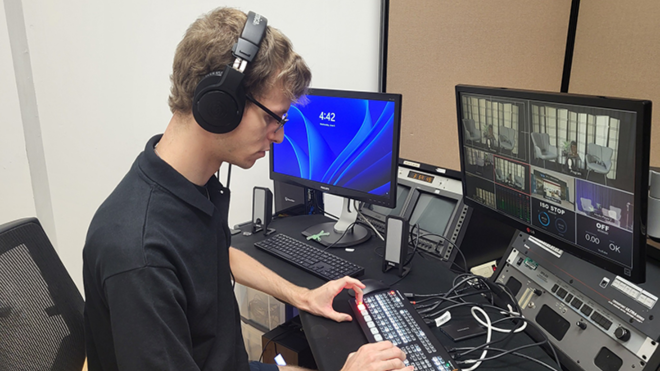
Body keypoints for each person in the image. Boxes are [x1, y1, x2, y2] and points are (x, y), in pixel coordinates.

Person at [82, 7, 411, 371]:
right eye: (272, 117)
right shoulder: (139, 254)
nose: (281, 135)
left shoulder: (190, 185)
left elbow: (216, 253)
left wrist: (303, 296)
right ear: (219, 106)